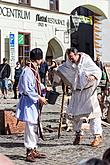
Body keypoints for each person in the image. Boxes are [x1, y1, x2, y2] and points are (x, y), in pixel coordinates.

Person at [57, 47, 103, 147]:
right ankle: (78, 134)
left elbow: (97, 71)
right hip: (77, 92)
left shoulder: (86, 60)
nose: (70, 59)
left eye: (71, 57)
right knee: (74, 114)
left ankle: (97, 136)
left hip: (88, 91)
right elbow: (62, 69)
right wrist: (57, 73)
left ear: (76, 54)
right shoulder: (69, 63)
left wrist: (93, 76)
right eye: (69, 57)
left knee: (93, 113)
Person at [16, 48, 47, 162]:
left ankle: (34, 148)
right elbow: (28, 89)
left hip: (33, 102)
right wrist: (40, 98)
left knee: (34, 125)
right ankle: (29, 150)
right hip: (29, 102)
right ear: (38, 59)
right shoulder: (28, 71)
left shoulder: (33, 70)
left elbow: (35, 84)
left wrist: (44, 88)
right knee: (30, 126)